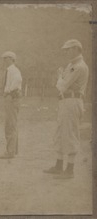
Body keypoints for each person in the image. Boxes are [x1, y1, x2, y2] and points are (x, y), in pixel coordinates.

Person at [43, 39, 89, 179]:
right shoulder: (71, 65)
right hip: (66, 101)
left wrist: (59, 77)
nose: (66, 52)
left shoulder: (79, 66)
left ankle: (70, 169)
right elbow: (64, 83)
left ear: (76, 49)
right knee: (61, 132)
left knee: (70, 133)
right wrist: (61, 78)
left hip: (72, 100)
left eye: (68, 49)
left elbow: (62, 85)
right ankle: (59, 165)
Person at [0, 51, 22, 159]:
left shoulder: (14, 70)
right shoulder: (9, 70)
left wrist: (8, 91)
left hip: (12, 97)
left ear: (11, 59)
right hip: (11, 97)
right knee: (12, 123)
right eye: (4, 59)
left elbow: (18, 81)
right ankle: (13, 150)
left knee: (10, 124)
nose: (4, 61)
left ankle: (10, 151)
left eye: (6, 58)